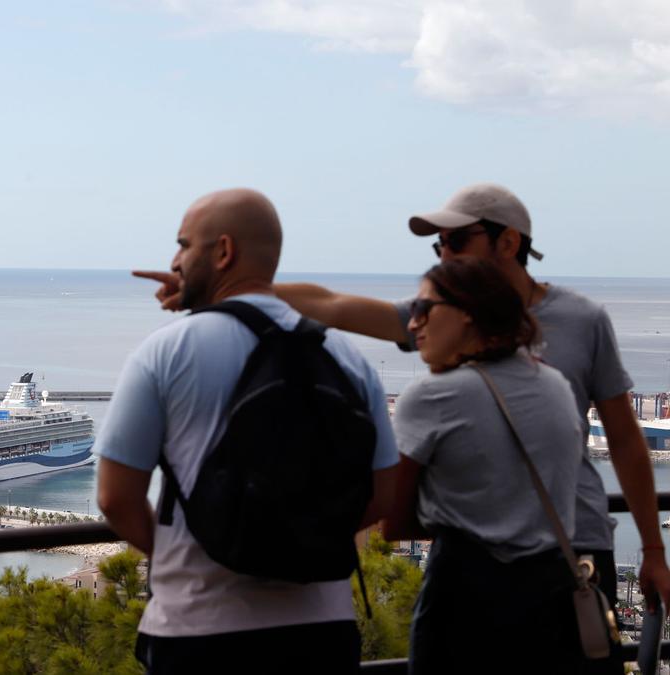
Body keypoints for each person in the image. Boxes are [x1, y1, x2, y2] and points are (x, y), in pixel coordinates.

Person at [136, 183, 668, 673]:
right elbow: (330, 305)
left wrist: (652, 551)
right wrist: (210, 284)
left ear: (509, 242)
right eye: (438, 246)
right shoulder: (440, 316)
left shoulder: (579, 318)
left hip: (575, 545)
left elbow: (623, 440)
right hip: (480, 551)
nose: (445, 254)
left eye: (457, 239)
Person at [96, 188, 399, 674]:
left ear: (222, 251)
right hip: (322, 628)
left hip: (198, 627)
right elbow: (383, 494)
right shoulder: (347, 358)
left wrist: (202, 545)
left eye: (183, 245)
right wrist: (302, 540)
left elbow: (116, 498)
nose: (175, 261)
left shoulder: (165, 352)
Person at [382, 257, 585, 673]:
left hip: (464, 600)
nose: (412, 324)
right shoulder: (555, 385)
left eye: (422, 309)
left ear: (468, 314)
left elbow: (395, 521)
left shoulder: (431, 397)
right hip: (552, 593)